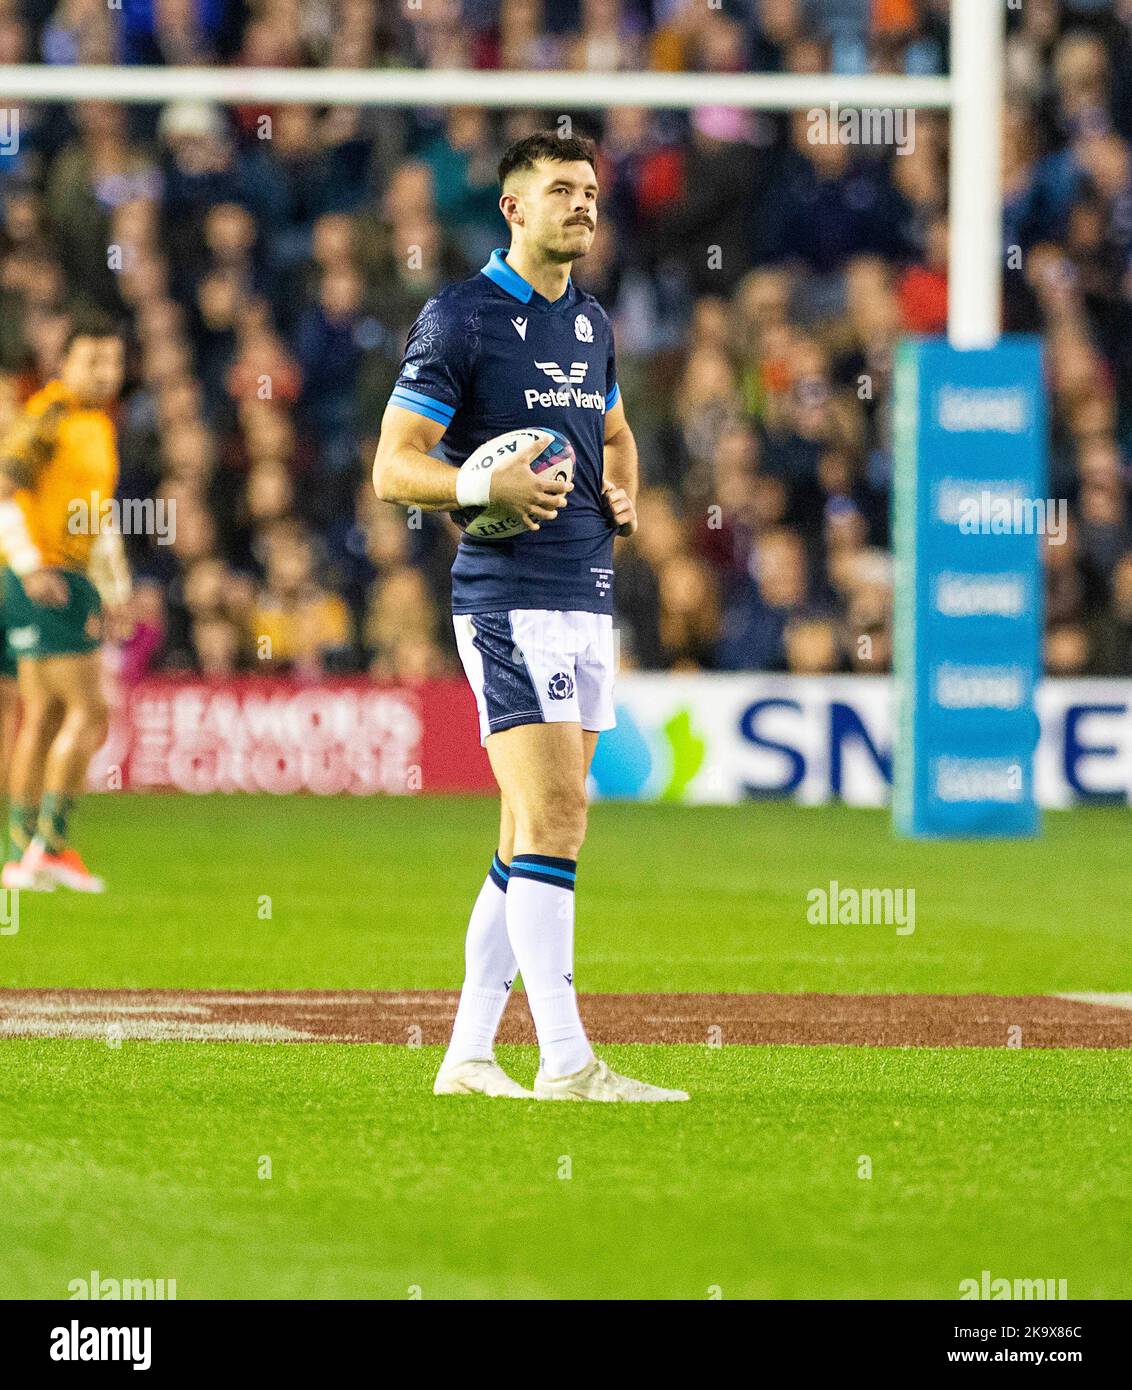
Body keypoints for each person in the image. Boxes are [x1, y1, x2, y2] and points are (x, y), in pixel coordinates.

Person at [374, 132, 688, 1102]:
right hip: (507, 599)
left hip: (585, 599)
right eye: (561, 190)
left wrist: (624, 493)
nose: (583, 205)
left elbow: (618, 433)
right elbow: (393, 466)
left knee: (524, 834)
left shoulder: (591, 323)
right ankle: (565, 1059)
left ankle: (468, 1055)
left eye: (590, 191)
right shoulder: (460, 317)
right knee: (559, 813)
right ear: (513, 209)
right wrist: (478, 479)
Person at [0, 313, 129, 893]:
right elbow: (4, 487)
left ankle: (23, 850)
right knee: (90, 714)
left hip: (64, 577)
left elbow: (94, 518)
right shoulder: (49, 417)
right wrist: (29, 566)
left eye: (113, 361)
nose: (105, 373)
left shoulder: (93, 423)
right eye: (92, 361)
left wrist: (110, 588)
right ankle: (46, 848)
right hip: (42, 578)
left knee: (46, 714)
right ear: (65, 365)